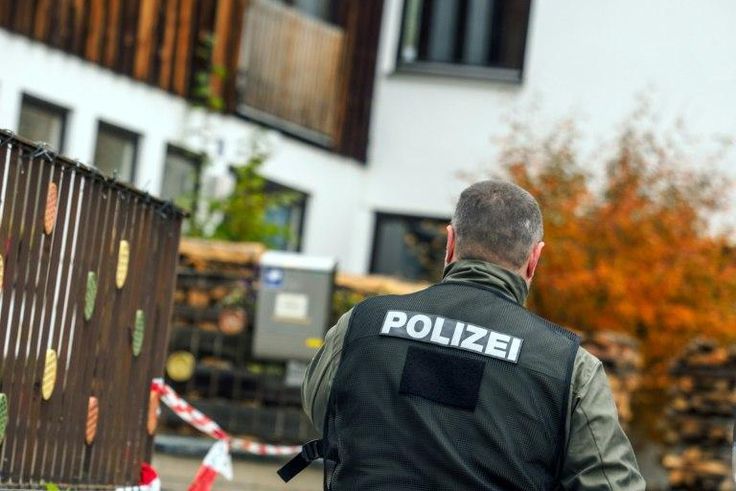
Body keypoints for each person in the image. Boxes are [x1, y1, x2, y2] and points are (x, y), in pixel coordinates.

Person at [280, 180, 645, 490]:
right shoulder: (569, 367)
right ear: (534, 258)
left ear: (450, 243)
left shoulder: (362, 323)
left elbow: (321, 409)